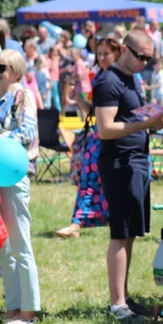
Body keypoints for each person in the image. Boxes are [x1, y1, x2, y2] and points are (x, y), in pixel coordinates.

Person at [95, 30, 163, 322]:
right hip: (119, 163)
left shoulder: (132, 79)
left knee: (131, 234)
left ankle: (124, 298)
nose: (144, 63)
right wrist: (146, 122)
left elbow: (133, 112)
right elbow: (105, 129)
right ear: (125, 50)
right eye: (140, 57)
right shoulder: (108, 81)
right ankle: (117, 305)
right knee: (121, 234)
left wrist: (154, 113)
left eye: (149, 59)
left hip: (135, 161)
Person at [0, 49, 41, 324]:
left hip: (13, 175)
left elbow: (26, 133)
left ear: (15, 70)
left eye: (0, 67)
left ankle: (28, 310)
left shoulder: (22, 95)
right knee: (3, 246)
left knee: (20, 242)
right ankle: (13, 306)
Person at [54, 36, 120, 239]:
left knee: (108, 183)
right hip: (97, 138)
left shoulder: (123, 77)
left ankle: (113, 221)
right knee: (88, 181)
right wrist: (79, 100)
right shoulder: (100, 76)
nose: (101, 57)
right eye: (99, 53)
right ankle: (78, 223)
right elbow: (95, 111)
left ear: (118, 53)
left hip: (117, 139)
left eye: (106, 53)